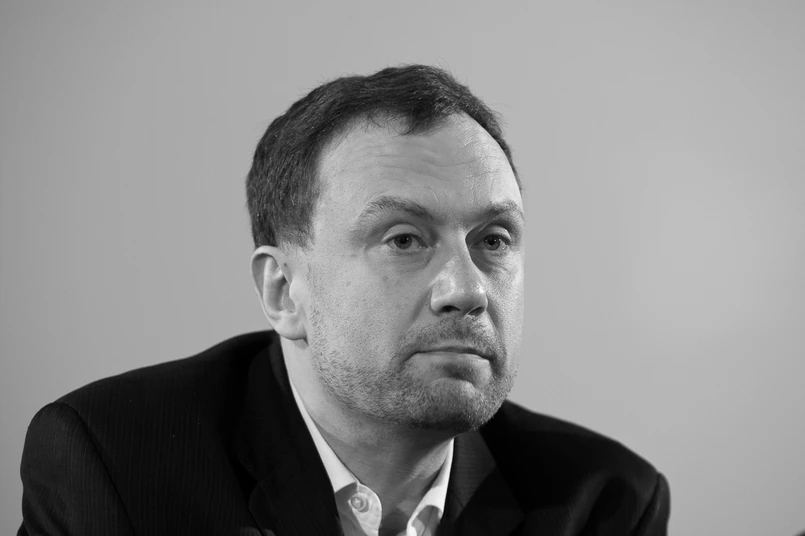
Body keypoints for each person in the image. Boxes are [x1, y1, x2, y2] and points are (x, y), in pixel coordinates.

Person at [18, 65, 670, 536]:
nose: (468, 289)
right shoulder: (116, 465)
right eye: (404, 239)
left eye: (493, 240)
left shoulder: (603, 502)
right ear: (284, 291)